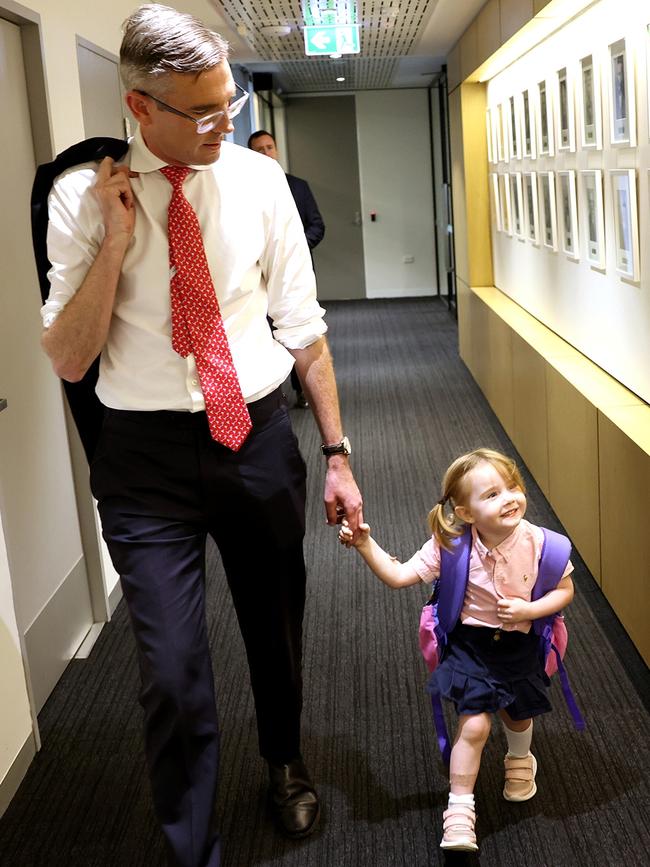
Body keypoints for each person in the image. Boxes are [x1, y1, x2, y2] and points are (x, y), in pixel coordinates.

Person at [39, 5, 363, 866]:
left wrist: (336, 454)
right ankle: (193, 844)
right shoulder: (79, 194)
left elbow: (305, 327)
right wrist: (114, 243)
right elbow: (70, 359)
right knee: (173, 671)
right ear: (141, 107)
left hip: (253, 436)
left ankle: (284, 758)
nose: (228, 122)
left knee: (275, 620)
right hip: (142, 460)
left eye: (230, 103)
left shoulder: (261, 186)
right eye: (205, 110)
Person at [339, 448, 574, 853]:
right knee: (475, 725)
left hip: (520, 643)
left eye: (512, 487)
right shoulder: (450, 546)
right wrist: (365, 544)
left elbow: (565, 591)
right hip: (472, 648)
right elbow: (398, 576)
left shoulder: (539, 542)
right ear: (466, 513)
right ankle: (460, 808)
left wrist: (531, 609)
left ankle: (520, 759)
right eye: (493, 494)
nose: (510, 498)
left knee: (518, 715)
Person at [248, 129, 325, 409]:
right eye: (259, 149)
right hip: (257, 280)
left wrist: (291, 249)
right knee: (265, 334)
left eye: (269, 147)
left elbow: (317, 225)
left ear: (277, 150)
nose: (266, 153)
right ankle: (270, 393)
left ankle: (302, 389)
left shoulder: (298, 186)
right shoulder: (242, 188)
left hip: (294, 276)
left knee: (298, 331)